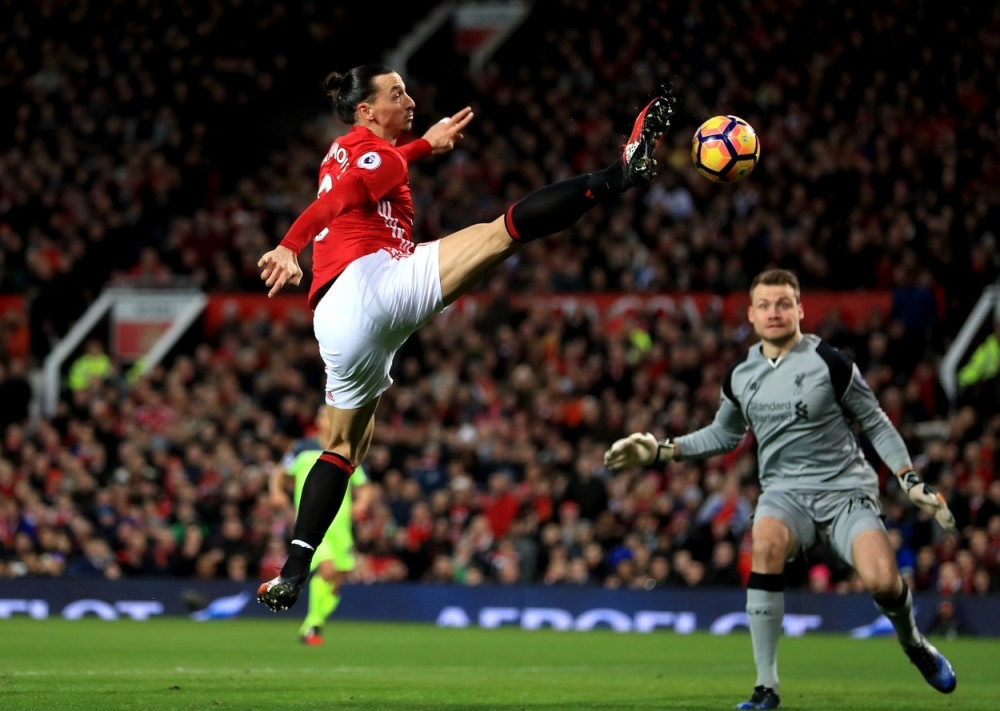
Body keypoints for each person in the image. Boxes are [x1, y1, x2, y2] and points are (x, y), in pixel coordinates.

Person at [256, 64, 675, 611]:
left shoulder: (355, 153)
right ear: (366, 111)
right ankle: (617, 174)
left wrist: (423, 146)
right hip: (370, 283)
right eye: (396, 93)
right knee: (500, 234)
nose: (409, 100)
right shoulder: (364, 149)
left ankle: (291, 570)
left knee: (340, 448)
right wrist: (291, 244)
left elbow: (361, 184)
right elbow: (342, 198)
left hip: (338, 324)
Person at [604, 268, 958, 709]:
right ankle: (766, 688)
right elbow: (723, 435)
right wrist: (661, 450)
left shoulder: (831, 362)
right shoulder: (740, 374)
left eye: (784, 303)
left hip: (846, 492)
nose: (775, 312)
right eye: (766, 305)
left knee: (884, 582)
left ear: (800, 310)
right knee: (765, 544)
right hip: (784, 494)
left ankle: (916, 646)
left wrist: (908, 478)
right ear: (751, 314)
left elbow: (876, 421)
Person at [270, 405, 373, 645]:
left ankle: (314, 623)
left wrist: (362, 503)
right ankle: (313, 626)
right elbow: (278, 473)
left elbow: (364, 485)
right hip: (314, 525)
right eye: (322, 415)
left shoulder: (348, 449)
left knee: (336, 581)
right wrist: (276, 492)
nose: (327, 419)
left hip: (341, 527)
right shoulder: (302, 448)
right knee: (326, 570)